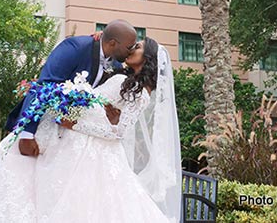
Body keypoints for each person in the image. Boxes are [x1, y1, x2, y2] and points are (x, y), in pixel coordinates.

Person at [0, 20, 139, 222]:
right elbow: (44, 85)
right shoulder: (74, 48)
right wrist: (27, 133)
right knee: (16, 183)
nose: (131, 50)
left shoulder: (116, 64)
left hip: (68, 137)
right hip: (41, 127)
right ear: (112, 43)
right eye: (129, 46)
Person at [33, 37, 182, 222]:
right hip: (79, 141)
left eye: (138, 47)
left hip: (95, 147)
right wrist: (99, 38)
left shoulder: (141, 93)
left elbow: (118, 132)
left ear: (148, 58)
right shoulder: (124, 78)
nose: (132, 48)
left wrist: (76, 125)